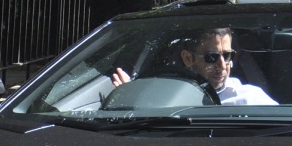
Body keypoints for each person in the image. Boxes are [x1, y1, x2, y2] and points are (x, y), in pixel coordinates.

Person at [113, 27, 277, 105]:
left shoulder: (251, 98)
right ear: (188, 58)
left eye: (227, 55)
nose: (222, 65)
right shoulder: (163, 98)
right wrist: (130, 96)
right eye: (211, 57)